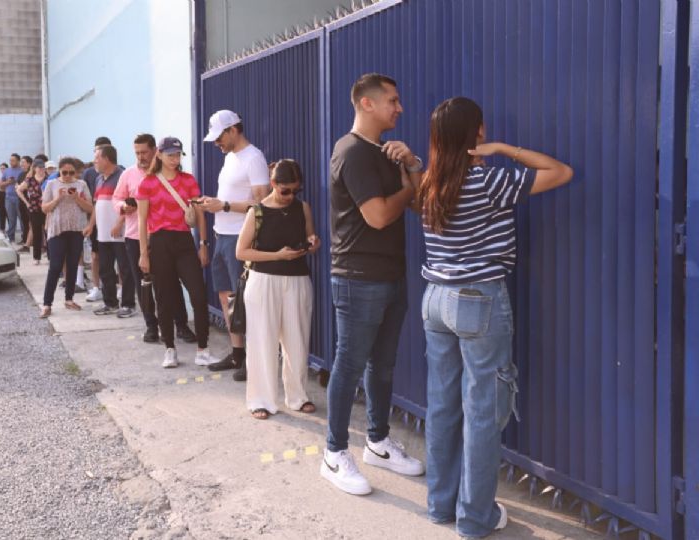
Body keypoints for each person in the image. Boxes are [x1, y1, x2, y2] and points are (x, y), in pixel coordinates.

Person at [418, 97, 572, 537]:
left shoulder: (429, 183)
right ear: (477, 133)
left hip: (436, 300)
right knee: (483, 410)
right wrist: (505, 150)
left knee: (443, 405)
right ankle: (474, 519)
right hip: (477, 300)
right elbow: (561, 172)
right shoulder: (488, 181)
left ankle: (439, 505)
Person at [321, 73, 426, 496]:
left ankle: (378, 442)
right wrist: (404, 187)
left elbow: (418, 204)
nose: (400, 108)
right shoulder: (352, 152)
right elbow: (380, 216)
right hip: (357, 277)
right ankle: (333, 453)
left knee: (381, 365)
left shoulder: (387, 153)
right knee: (349, 364)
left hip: (390, 274)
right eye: (393, 101)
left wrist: (412, 166)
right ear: (367, 103)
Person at [235, 159, 320, 420]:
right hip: (264, 281)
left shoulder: (302, 208)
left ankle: (298, 396)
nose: (290, 196)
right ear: (273, 184)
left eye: (296, 190)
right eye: (285, 190)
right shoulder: (257, 211)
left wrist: (312, 242)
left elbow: (310, 236)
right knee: (262, 340)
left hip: (297, 279)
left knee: (298, 340)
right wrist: (277, 256)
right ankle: (260, 399)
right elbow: (241, 251)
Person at [199, 110, 271, 380]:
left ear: (233, 130)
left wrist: (225, 205)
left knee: (244, 300)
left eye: (219, 137)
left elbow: (263, 204)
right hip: (222, 234)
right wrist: (214, 203)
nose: (217, 143)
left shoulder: (254, 158)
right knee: (227, 296)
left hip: (240, 237)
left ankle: (253, 358)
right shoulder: (230, 157)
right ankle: (237, 352)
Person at [137, 137, 220, 369]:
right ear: (160, 155)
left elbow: (200, 214)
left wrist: (203, 244)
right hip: (160, 242)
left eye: (178, 155)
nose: (174, 159)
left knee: (199, 295)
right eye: (170, 154)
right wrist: (143, 253)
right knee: (164, 298)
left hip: (184, 241)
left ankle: (203, 349)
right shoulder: (147, 183)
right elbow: (142, 221)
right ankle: (170, 349)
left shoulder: (188, 181)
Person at [113, 133, 197, 343]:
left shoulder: (169, 174)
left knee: (172, 284)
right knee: (145, 284)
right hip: (135, 237)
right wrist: (124, 206)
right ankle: (151, 326)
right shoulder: (128, 175)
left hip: (164, 238)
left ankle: (181, 325)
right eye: (137, 153)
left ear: (154, 152)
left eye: (144, 152)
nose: (140, 156)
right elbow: (116, 198)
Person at [84, 144, 136, 317]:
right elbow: (97, 205)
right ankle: (110, 303)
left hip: (120, 234)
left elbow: (129, 205)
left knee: (125, 269)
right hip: (103, 234)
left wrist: (119, 223)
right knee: (106, 269)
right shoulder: (99, 179)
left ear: (107, 159)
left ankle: (128, 304)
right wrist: (91, 225)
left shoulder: (122, 176)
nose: (94, 162)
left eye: (97, 158)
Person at [41, 157, 94, 316]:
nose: (68, 176)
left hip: (76, 229)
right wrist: (58, 198)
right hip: (57, 229)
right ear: (59, 171)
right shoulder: (52, 184)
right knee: (55, 266)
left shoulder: (81, 185)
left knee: (72, 265)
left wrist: (76, 197)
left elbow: (90, 208)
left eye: (72, 173)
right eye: (64, 172)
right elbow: (44, 208)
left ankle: (69, 299)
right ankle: (46, 303)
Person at [83, 137, 111, 303]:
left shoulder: (119, 172)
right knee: (95, 256)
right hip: (96, 220)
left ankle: (120, 289)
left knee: (117, 259)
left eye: (99, 153)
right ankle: (96, 287)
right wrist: (90, 223)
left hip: (114, 224)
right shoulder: (91, 173)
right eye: (95, 152)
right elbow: (91, 200)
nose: (96, 157)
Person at [17, 160, 47, 264]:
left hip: (47, 208)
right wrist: (26, 202)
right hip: (34, 209)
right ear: (34, 168)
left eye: (43, 167)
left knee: (48, 232)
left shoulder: (48, 179)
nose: (41, 169)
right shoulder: (30, 180)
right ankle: (36, 257)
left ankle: (50, 255)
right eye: (39, 167)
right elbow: (19, 190)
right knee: (36, 232)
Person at [2, 153, 24, 244]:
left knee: (22, 219)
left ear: (18, 161)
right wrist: (8, 182)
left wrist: (16, 182)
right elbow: (1, 185)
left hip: (20, 198)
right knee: (11, 219)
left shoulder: (23, 171)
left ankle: (24, 238)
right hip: (9, 198)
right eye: (10, 160)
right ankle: (11, 238)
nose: (11, 162)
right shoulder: (6, 171)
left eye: (13, 160)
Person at [16, 155, 33, 252]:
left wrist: (20, 187)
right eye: (21, 162)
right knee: (25, 222)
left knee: (31, 222)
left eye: (23, 162)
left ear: (29, 164)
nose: (21, 164)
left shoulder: (31, 175)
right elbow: (18, 185)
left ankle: (29, 243)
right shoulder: (21, 174)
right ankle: (26, 240)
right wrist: (17, 187)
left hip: (29, 201)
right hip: (21, 201)